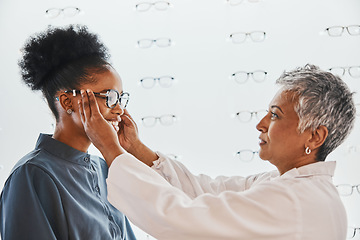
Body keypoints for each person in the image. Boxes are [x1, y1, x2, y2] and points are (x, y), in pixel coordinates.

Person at [79, 64, 356, 240]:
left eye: (275, 115)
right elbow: (205, 191)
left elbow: (181, 219)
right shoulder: (288, 186)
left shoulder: (294, 201)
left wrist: (111, 150)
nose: (260, 124)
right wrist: (135, 149)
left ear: (315, 136)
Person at [0, 25, 137, 240]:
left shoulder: (103, 168)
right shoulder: (32, 174)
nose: (119, 109)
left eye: (120, 98)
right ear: (67, 101)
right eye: (109, 97)